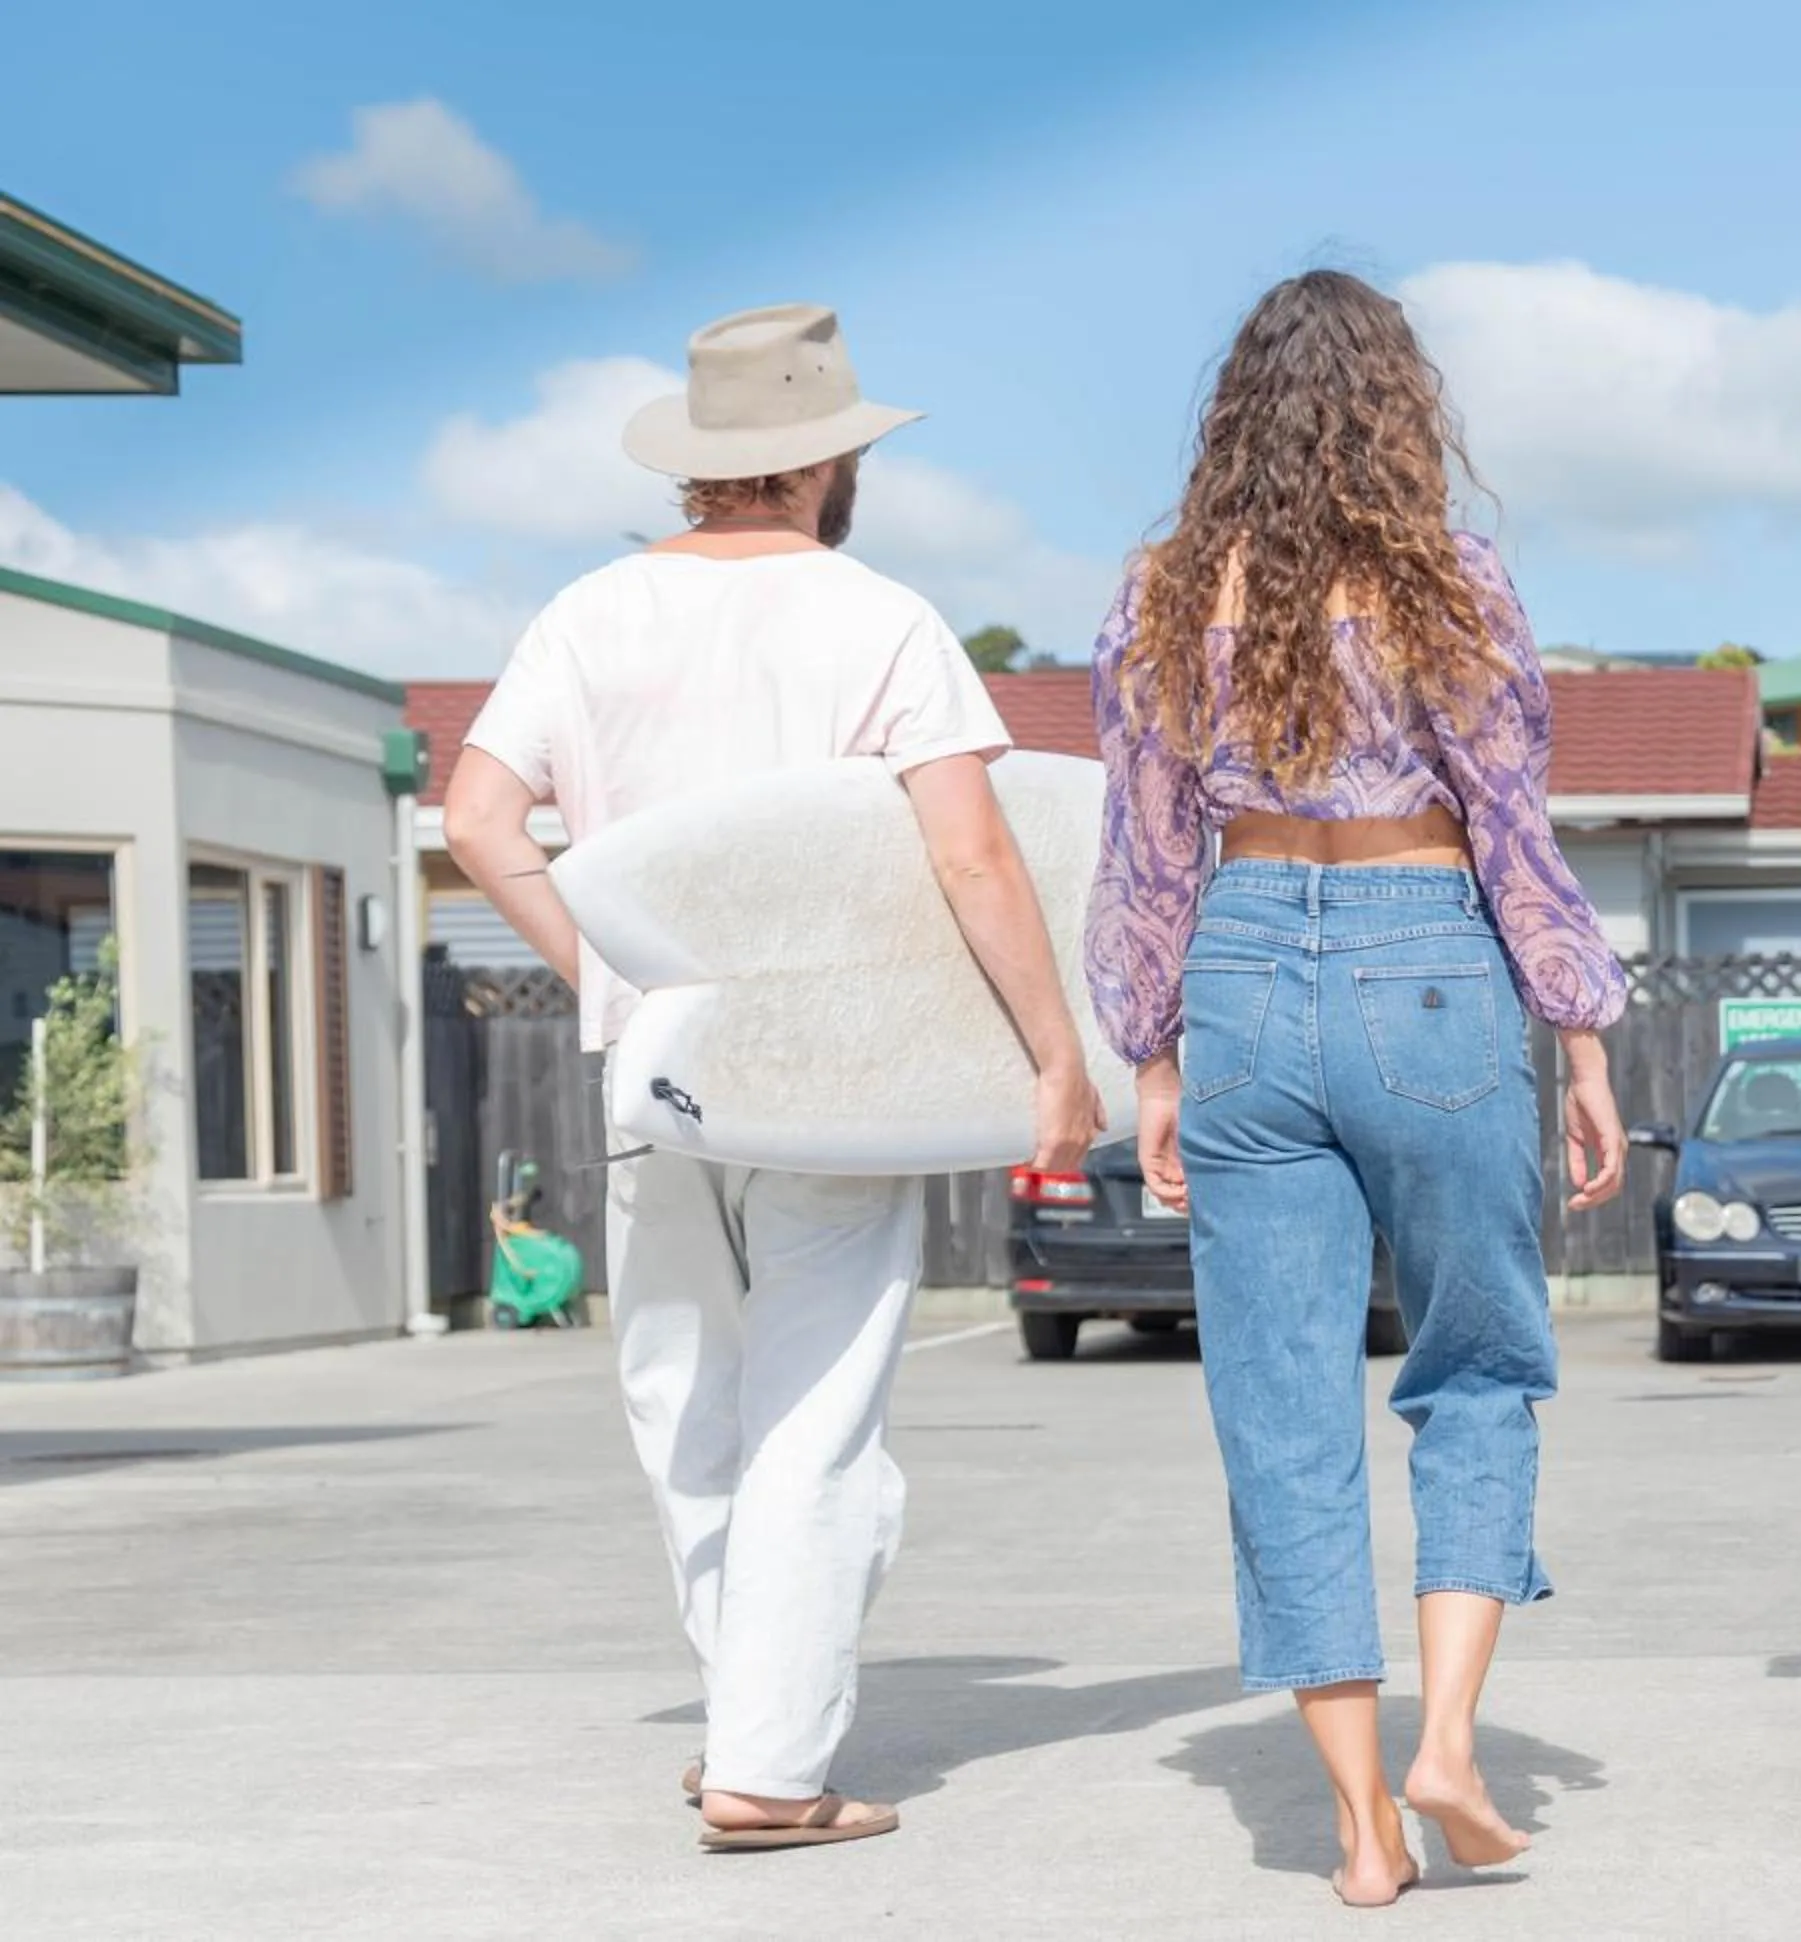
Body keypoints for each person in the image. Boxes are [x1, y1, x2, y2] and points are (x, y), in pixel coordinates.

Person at [445, 303, 1102, 1850]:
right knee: (817, 1416)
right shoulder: (878, 618)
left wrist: (620, 966)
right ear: (823, 460)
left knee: (686, 1401)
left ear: (703, 463)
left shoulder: (587, 614)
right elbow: (971, 853)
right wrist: (1055, 1052)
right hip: (835, 1076)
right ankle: (768, 1762)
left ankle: (747, 1704)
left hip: (658, 1066)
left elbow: (480, 822)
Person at [1086, 269, 1628, 1908]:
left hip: (1243, 964)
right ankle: (1448, 1738)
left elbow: (1145, 844)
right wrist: (1584, 1035)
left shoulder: (1170, 591)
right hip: (1428, 953)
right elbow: (1513, 822)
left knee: (1283, 1407)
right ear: (1400, 414)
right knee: (1474, 1363)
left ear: (1235, 417)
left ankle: (1360, 1827)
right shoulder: (1447, 583)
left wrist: (1155, 1051)